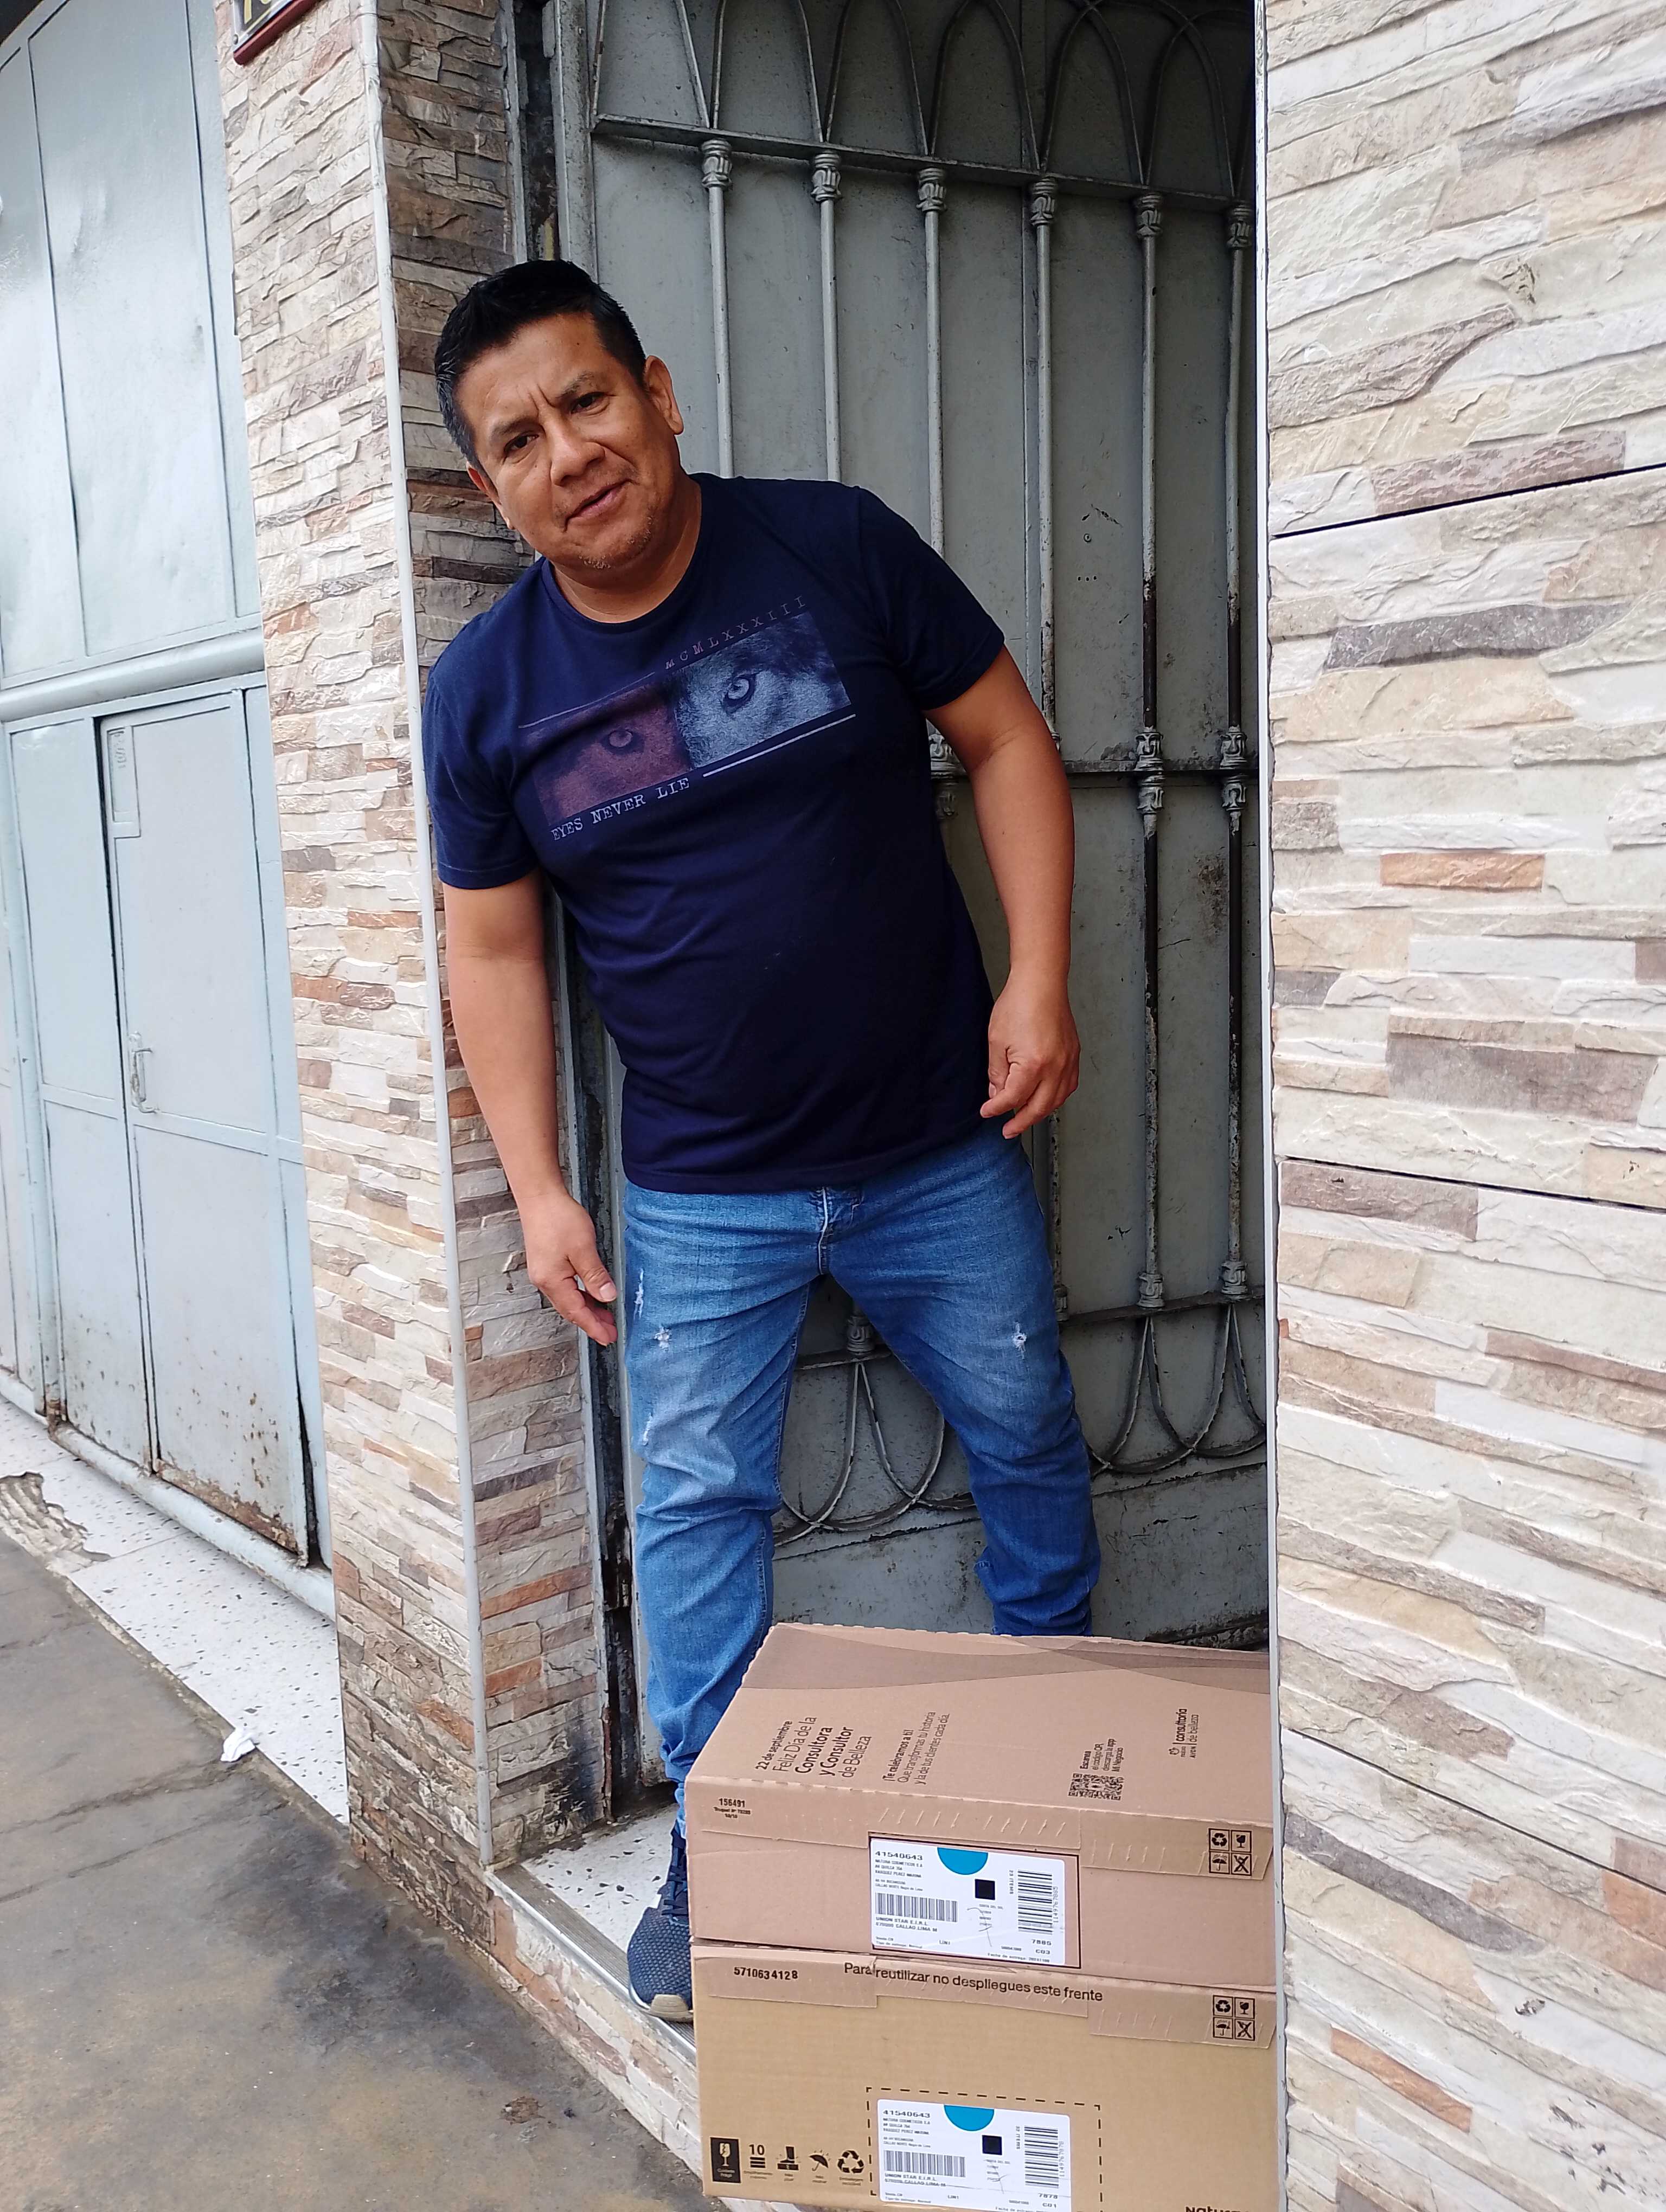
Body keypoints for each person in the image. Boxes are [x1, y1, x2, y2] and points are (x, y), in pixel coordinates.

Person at [424, 260, 1100, 2021]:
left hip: (938, 1141)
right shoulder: (485, 694)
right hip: (701, 1193)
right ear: (490, 486)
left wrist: (1039, 977)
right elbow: (491, 949)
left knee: (1030, 1429)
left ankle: (1070, 1759)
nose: (569, 453)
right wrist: (541, 1188)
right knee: (698, 1509)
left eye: (587, 401)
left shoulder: (836, 546)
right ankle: (723, 1853)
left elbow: (1006, 741)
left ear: (655, 390)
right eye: (519, 439)